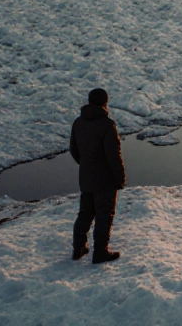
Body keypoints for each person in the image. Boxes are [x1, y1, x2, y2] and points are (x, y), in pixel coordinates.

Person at [69, 88, 126, 264]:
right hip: (105, 180)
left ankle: (79, 247)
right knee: (104, 214)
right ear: (105, 103)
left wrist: (86, 164)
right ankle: (100, 252)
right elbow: (113, 156)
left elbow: (74, 149)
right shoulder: (107, 125)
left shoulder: (78, 122)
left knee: (85, 213)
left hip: (86, 177)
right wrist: (120, 177)